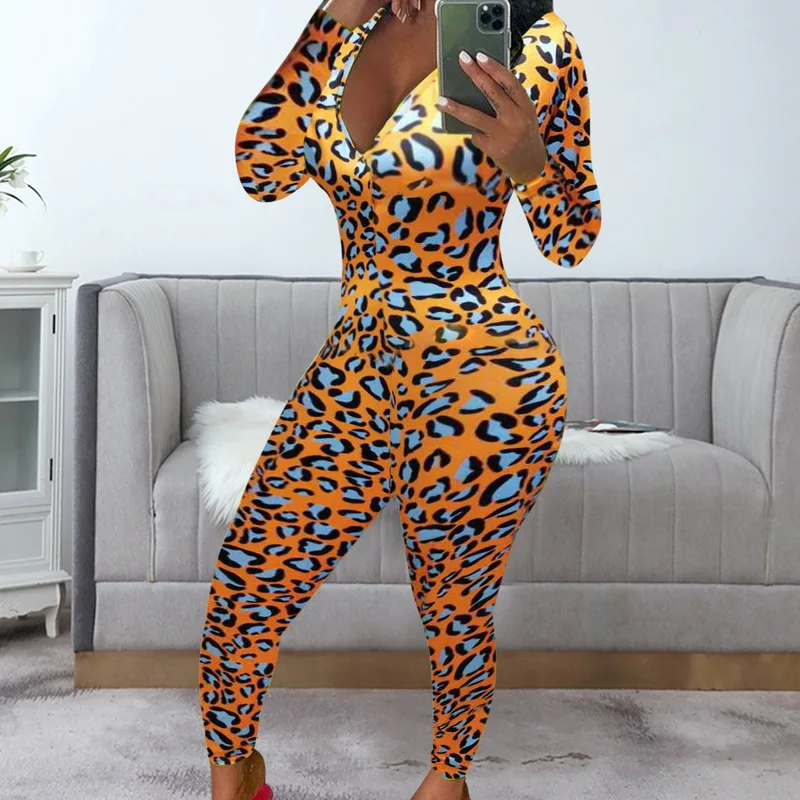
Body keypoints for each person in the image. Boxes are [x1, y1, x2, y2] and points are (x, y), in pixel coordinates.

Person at [199, 0, 601, 798]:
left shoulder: (536, 40)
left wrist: (530, 162)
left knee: (453, 605)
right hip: (356, 368)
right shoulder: (349, 29)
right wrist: (333, 17)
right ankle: (234, 774)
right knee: (248, 585)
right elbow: (260, 170)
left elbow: (571, 237)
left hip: (484, 375)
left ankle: (448, 780)